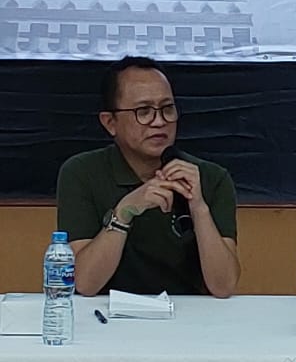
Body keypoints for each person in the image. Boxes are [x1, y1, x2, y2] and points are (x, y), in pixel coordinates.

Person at [56, 55, 240, 298]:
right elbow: (85, 284)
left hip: (190, 315)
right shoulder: (81, 173)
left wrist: (198, 207)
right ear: (110, 122)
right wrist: (124, 213)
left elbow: (224, 287)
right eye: (143, 111)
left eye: (167, 109)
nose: (159, 121)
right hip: (105, 314)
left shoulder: (211, 177)